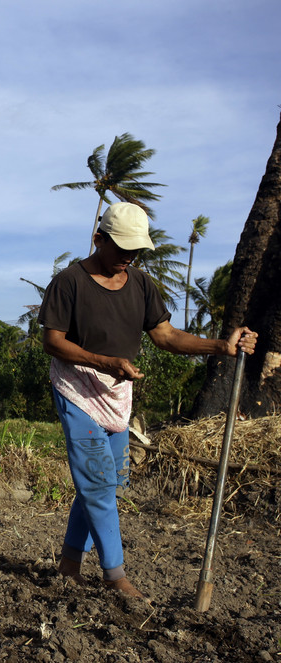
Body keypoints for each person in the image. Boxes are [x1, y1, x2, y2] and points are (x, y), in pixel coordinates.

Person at [38, 202, 257, 600]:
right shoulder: (69, 282)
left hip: (117, 394)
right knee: (99, 485)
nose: (129, 257)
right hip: (77, 388)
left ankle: (69, 564)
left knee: (107, 484)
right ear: (98, 239)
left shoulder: (140, 284)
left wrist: (221, 346)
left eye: (135, 250)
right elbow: (52, 341)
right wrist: (103, 362)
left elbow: (166, 336)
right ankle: (115, 576)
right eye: (122, 248)